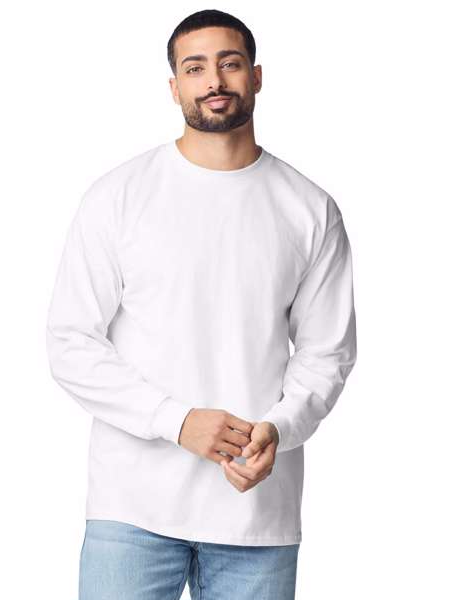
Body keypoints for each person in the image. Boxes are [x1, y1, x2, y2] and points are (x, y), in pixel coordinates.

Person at [45, 8, 357, 600]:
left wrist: (281, 428)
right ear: (174, 87)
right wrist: (177, 421)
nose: (214, 80)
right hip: (132, 507)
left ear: (256, 76)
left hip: (256, 510)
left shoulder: (309, 209)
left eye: (229, 63)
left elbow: (328, 353)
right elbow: (70, 342)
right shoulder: (119, 196)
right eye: (195, 68)